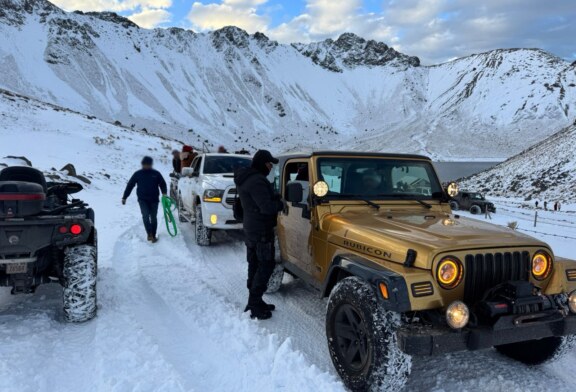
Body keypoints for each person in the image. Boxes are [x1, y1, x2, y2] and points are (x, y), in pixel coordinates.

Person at [234, 150, 284, 320]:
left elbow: (254, 201)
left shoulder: (246, 178)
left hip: (251, 227)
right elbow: (267, 207)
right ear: (263, 163)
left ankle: (254, 301)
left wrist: (273, 196)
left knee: (255, 264)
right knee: (265, 266)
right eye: (269, 164)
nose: (271, 167)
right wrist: (281, 203)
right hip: (261, 229)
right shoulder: (257, 180)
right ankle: (255, 304)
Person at [122, 156, 168, 243]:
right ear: (142, 164)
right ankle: (149, 234)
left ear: (151, 164)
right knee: (145, 215)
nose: (146, 166)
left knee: (153, 218)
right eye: (145, 164)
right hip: (142, 199)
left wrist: (164, 193)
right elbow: (130, 185)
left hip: (154, 199)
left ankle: (153, 235)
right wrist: (125, 197)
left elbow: (163, 184)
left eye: (148, 164)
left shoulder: (156, 174)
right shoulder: (138, 174)